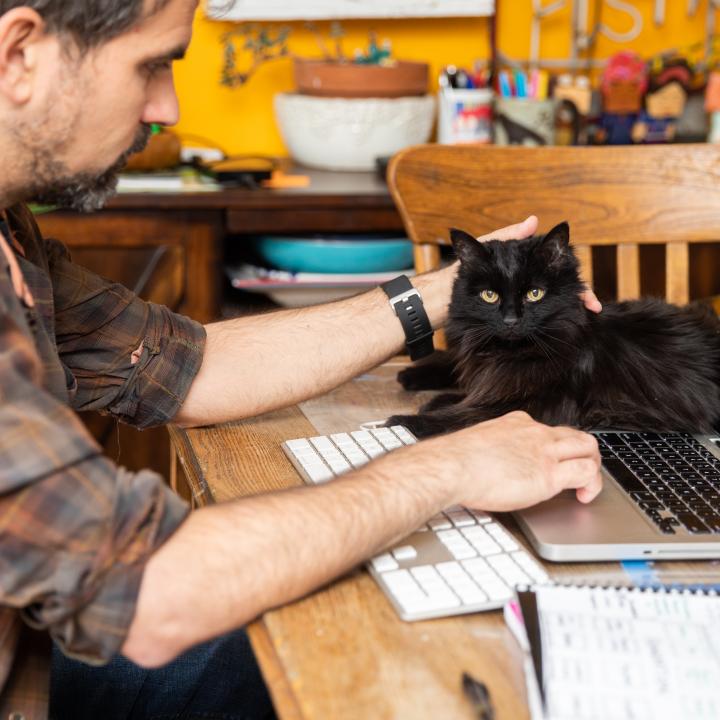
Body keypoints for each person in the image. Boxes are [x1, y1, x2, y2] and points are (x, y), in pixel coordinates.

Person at [0, 0, 604, 717]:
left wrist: (448, 292)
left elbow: (186, 364)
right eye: (152, 65)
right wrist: (451, 465)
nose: (167, 107)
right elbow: (150, 590)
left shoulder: (13, 235)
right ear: (20, 55)